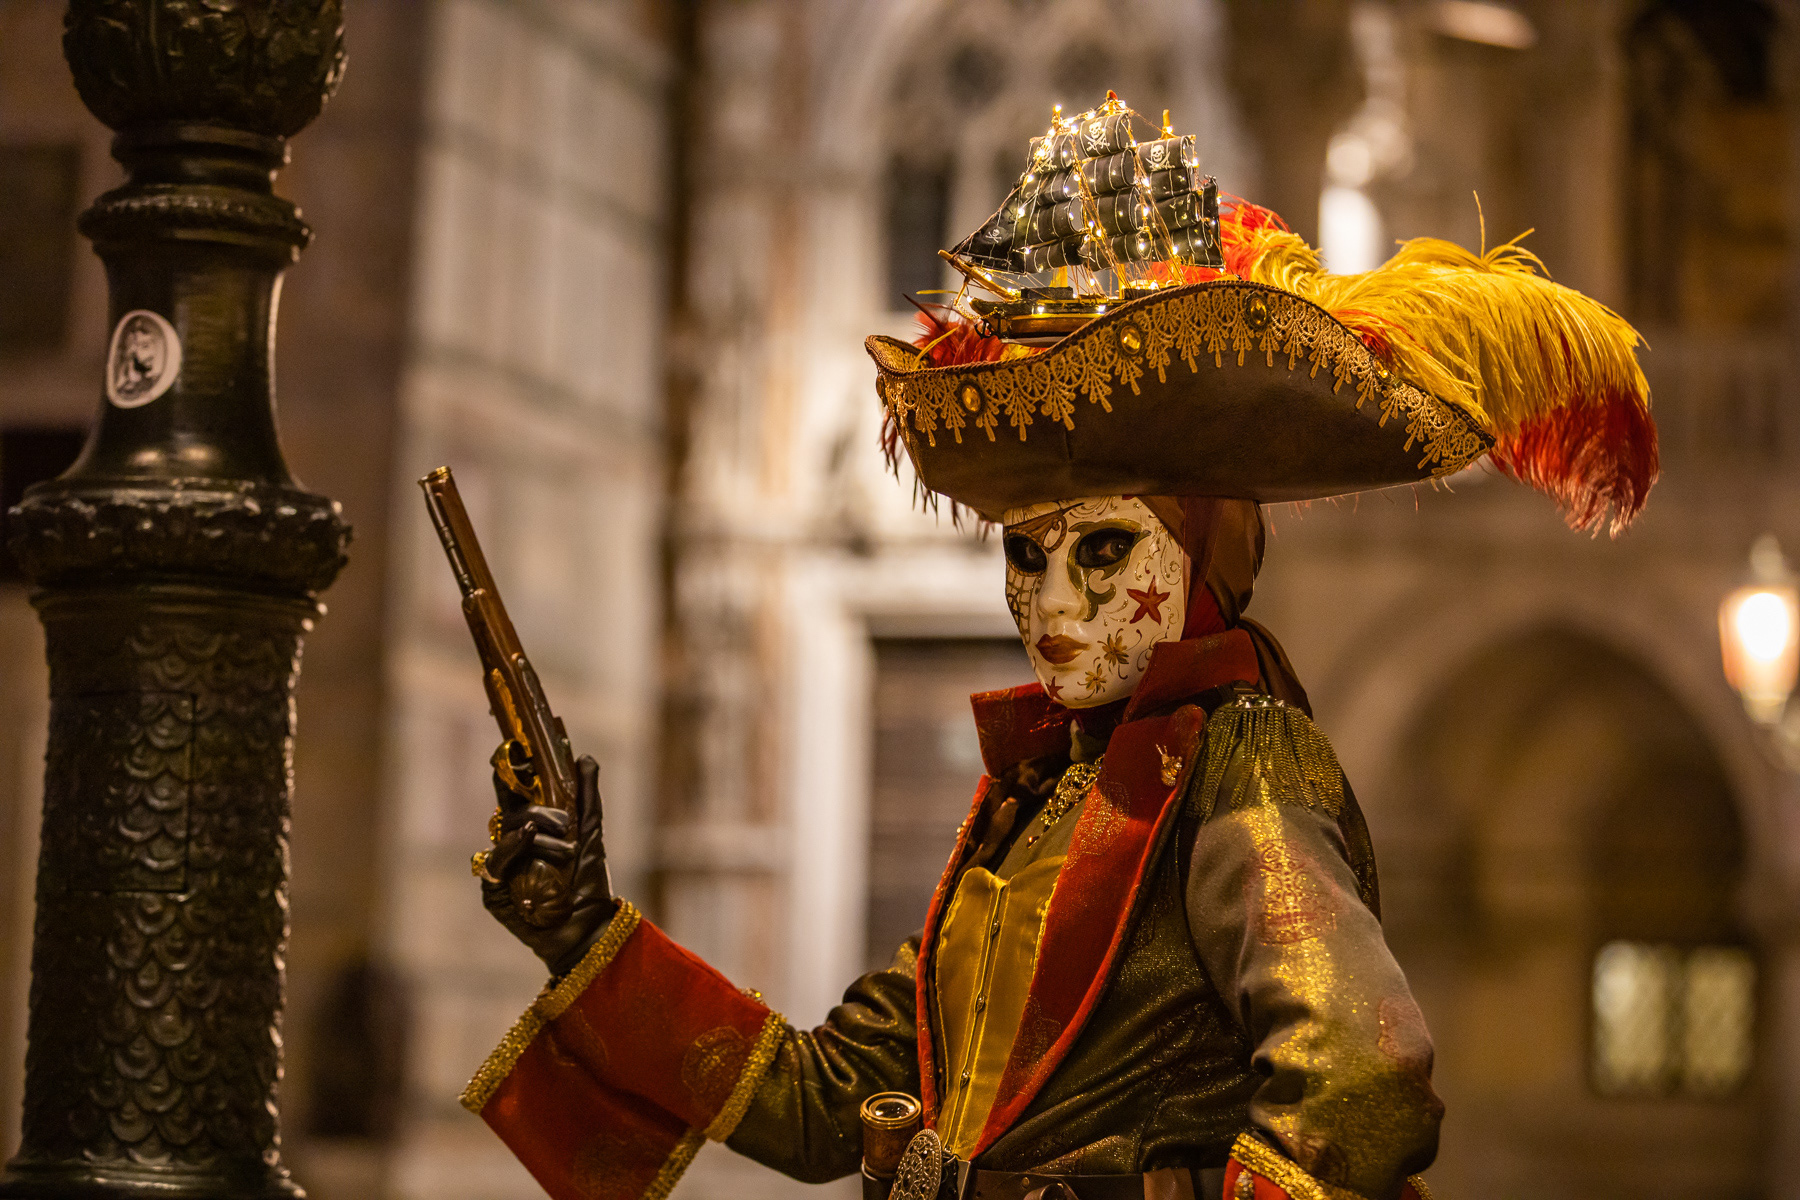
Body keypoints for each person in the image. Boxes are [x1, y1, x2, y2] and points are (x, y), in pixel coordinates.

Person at [458, 198, 1655, 1200]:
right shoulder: (1039, 801)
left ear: (1201, 564)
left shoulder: (1241, 755)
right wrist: (581, 931)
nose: (1050, 606)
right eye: (1027, 559)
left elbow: (1360, 1072)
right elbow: (828, 1100)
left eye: (1100, 555)